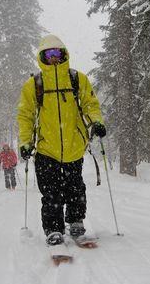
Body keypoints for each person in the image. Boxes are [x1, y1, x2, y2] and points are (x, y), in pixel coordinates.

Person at [17, 34, 106, 246]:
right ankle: (53, 229)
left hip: (74, 147)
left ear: (64, 54)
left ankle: (76, 221)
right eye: (49, 54)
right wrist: (25, 142)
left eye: (58, 53)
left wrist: (96, 122)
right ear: (42, 56)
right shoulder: (34, 84)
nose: (54, 57)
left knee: (75, 188)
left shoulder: (77, 79)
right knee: (50, 193)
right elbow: (26, 115)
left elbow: (90, 104)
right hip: (46, 149)